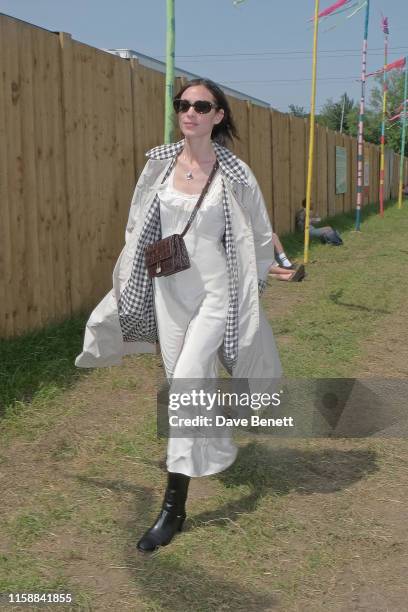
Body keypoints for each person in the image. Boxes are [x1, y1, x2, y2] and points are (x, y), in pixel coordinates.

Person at [75, 78, 282, 553]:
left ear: (218, 116)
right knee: (183, 388)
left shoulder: (234, 172)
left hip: (215, 293)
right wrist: (132, 273)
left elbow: (259, 231)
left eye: (201, 105)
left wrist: (266, 273)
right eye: (182, 104)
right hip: (169, 292)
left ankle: (173, 508)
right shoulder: (158, 164)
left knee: (188, 382)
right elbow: (138, 221)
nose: (189, 112)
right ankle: (205, 449)